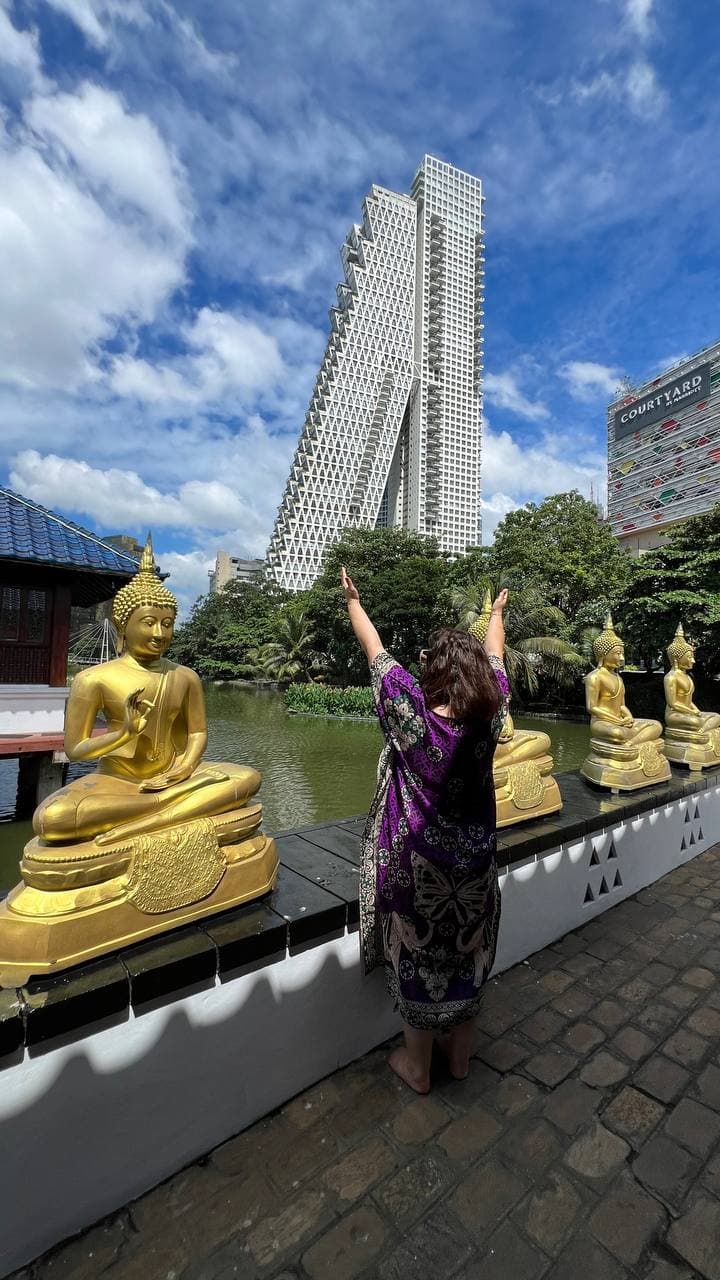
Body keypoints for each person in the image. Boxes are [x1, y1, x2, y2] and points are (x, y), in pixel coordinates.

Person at [341, 567, 509, 1093]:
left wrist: (353, 600)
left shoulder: (411, 711)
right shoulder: (491, 710)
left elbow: (375, 651)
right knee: (470, 952)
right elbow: (497, 656)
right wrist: (497, 615)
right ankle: (458, 1060)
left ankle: (418, 1069)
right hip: (476, 866)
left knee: (414, 955)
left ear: (430, 671)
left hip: (418, 869)